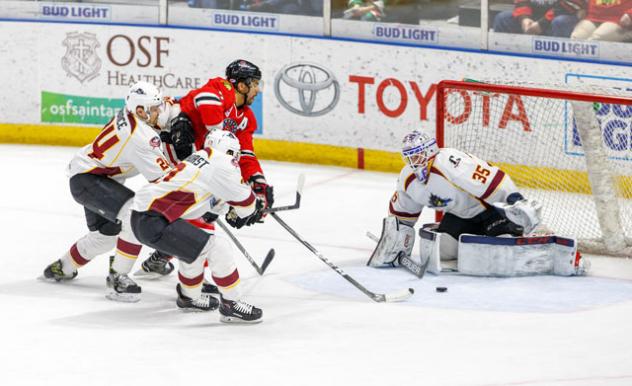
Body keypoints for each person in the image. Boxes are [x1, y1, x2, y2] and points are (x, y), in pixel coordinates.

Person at [367, 131, 587, 277]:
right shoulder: (408, 179)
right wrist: (394, 244)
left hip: (492, 212)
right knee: (442, 252)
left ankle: (538, 240)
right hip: (461, 215)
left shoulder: (449, 161)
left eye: (417, 156)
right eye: (409, 157)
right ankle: (479, 247)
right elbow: (402, 215)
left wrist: (516, 201)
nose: (413, 162)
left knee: (502, 254)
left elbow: (493, 179)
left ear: (430, 151)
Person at [136, 59, 274, 278]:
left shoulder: (246, 118)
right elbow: (204, 99)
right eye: (255, 83)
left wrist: (257, 181)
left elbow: (245, 153)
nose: (258, 89)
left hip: (200, 163)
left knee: (203, 210)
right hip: (176, 149)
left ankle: (163, 258)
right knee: (195, 208)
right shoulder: (223, 88)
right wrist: (214, 135)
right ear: (241, 85)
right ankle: (188, 275)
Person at [41, 82, 172, 299]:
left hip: (90, 175)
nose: (159, 112)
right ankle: (117, 279)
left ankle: (62, 266)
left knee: (106, 236)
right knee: (135, 216)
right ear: (140, 110)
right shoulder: (139, 137)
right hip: (87, 180)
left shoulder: (131, 115)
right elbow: (165, 181)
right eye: (155, 108)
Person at [123, 130, 265, 322]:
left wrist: (225, 210)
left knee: (196, 243)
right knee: (218, 247)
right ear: (231, 151)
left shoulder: (200, 158)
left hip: (143, 218)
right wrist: (249, 210)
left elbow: (202, 203)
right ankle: (231, 304)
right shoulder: (224, 163)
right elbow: (246, 203)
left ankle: (189, 298)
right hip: (154, 220)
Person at [493, 0, 583, 38]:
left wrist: (541, 24)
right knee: (502, 19)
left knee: (560, 22)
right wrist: (524, 18)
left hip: (564, 17)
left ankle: (560, 65)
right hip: (534, 17)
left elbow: (572, 4)